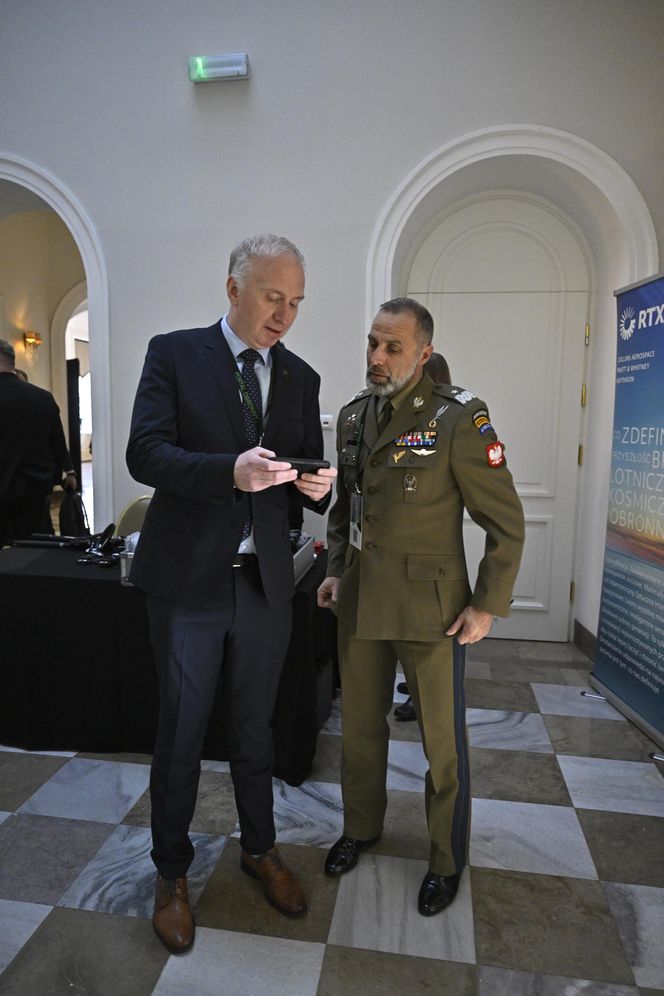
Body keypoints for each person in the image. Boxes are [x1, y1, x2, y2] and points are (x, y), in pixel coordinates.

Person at [126, 234, 337, 954]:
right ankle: (171, 874)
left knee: (256, 728)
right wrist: (227, 471)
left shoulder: (302, 377)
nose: (285, 315)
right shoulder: (175, 354)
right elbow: (144, 453)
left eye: (296, 303)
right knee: (182, 733)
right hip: (188, 582)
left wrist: (316, 487)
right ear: (233, 289)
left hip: (265, 584)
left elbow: (302, 475)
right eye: (274, 297)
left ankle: (259, 848)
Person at [317, 298, 524, 916]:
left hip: (434, 610)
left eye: (393, 348)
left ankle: (444, 858)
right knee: (358, 730)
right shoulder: (354, 417)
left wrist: (486, 605)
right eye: (373, 344)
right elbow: (345, 509)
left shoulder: (458, 417)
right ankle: (361, 827)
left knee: (442, 744)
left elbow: (505, 522)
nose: (377, 359)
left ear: (423, 353)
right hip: (360, 601)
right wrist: (334, 570)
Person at [394, 350, 451, 723]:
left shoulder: (450, 421)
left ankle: (419, 696)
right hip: (393, 552)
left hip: (428, 557)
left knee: (423, 644)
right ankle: (413, 686)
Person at [0, 339, 77, 546]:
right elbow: (58, 444)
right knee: (34, 552)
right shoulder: (43, 398)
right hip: (35, 493)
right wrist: (68, 473)